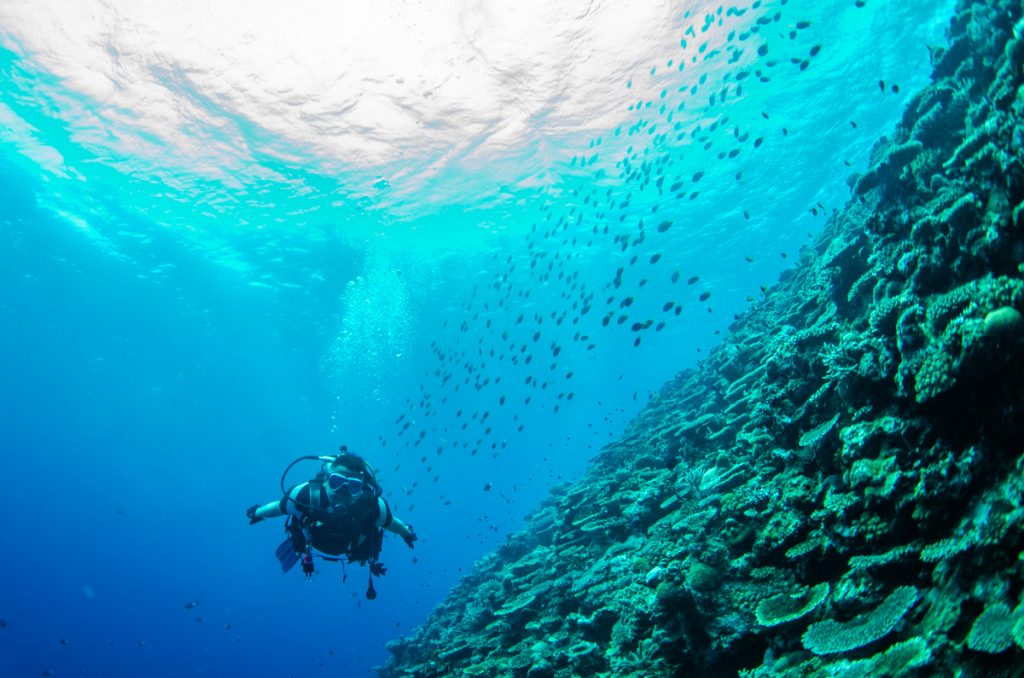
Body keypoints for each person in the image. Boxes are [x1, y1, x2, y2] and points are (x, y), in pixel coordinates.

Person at [246, 446, 417, 599]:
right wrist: (258, 513)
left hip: (351, 547)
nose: (343, 492)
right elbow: (278, 507)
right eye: (337, 482)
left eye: (353, 486)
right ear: (326, 480)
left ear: (361, 489)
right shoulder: (305, 495)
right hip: (315, 539)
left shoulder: (372, 506)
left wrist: (406, 532)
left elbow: (391, 522)